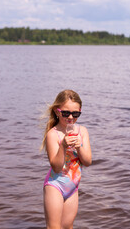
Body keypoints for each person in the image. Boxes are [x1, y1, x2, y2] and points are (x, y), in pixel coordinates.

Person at [41, 89, 92, 229]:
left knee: (68, 225)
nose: (70, 117)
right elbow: (56, 167)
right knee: (54, 227)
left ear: (80, 111)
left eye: (75, 114)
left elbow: (87, 161)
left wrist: (79, 147)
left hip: (72, 188)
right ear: (57, 112)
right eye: (66, 113)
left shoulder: (82, 132)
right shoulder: (53, 134)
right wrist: (63, 146)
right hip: (55, 185)